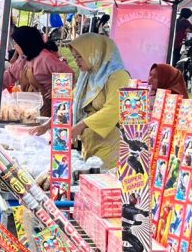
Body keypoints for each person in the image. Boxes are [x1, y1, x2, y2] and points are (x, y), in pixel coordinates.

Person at [33, 33, 130, 170]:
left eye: (80, 56)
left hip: (110, 145)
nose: (77, 61)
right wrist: (47, 125)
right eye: (75, 57)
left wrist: (79, 126)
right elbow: (70, 102)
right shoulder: (87, 74)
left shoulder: (118, 76)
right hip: (89, 143)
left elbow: (114, 110)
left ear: (94, 53)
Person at [2, 26, 74, 115]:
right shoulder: (24, 57)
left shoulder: (46, 58)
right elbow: (11, 73)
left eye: (16, 43)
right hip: (33, 107)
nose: (15, 46)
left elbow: (68, 74)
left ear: (25, 43)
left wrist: (56, 91)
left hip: (50, 109)